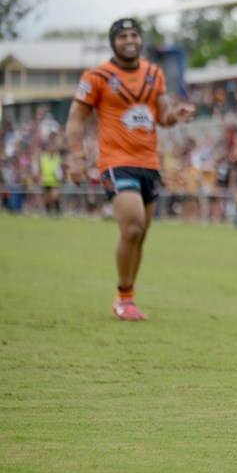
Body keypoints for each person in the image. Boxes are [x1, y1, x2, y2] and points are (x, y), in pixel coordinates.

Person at [66, 18, 195, 321]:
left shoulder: (154, 73)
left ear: (140, 40)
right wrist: (76, 155)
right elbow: (75, 119)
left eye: (134, 34)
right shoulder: (96, 76)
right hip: (115, 161)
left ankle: (126, 297)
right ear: (114, 42)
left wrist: (176, 114)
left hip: (149, 163)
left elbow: (162, 117)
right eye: (122, 35)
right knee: (133, 226)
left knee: (140, 234)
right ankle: (124, 298)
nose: (129, 40)